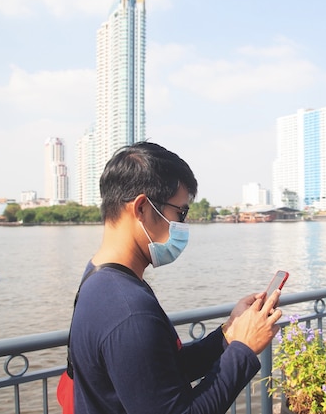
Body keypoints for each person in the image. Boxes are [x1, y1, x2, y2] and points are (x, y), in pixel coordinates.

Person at [69, 141, 283, 414]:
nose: (183, 225)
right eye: (180, 212)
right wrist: (243, 349)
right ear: (142, 208)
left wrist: (229, 334)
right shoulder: (129, 311)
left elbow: (158, 372)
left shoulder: (99, 278)